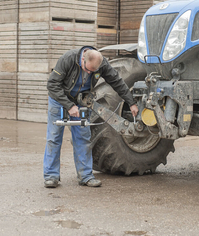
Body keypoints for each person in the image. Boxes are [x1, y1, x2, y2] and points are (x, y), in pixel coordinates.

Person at [44, 46, 138, 188]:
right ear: (83, 59)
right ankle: (51, 176)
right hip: (59, 100)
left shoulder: (101, 64)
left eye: (93, 72)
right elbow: (52, 84)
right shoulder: (68, 59)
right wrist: (69, 106)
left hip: (80, 101)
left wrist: (131, 102)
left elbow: (117, 82)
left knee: (83, 137)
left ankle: (85, 176)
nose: (89, 73)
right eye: (87, 70)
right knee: (54, 137)